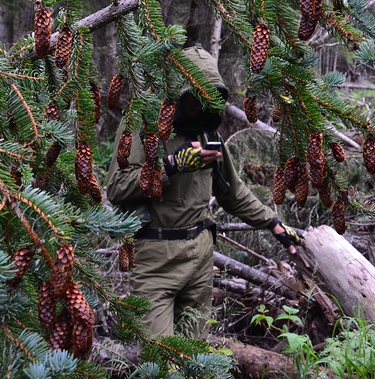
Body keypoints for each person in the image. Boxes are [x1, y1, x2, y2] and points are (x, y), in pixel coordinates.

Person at [106, 46, 301, 338]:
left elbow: (232, 192)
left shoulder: (208, 133)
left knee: (195, 356)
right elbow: (116, 188)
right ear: (180, 94)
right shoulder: (143, 124)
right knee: (160, 359)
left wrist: (272, 223)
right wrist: (171, 165)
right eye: (195, 100)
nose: (201, 108)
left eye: (208, 101)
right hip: (155, 258)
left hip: (200, 256)